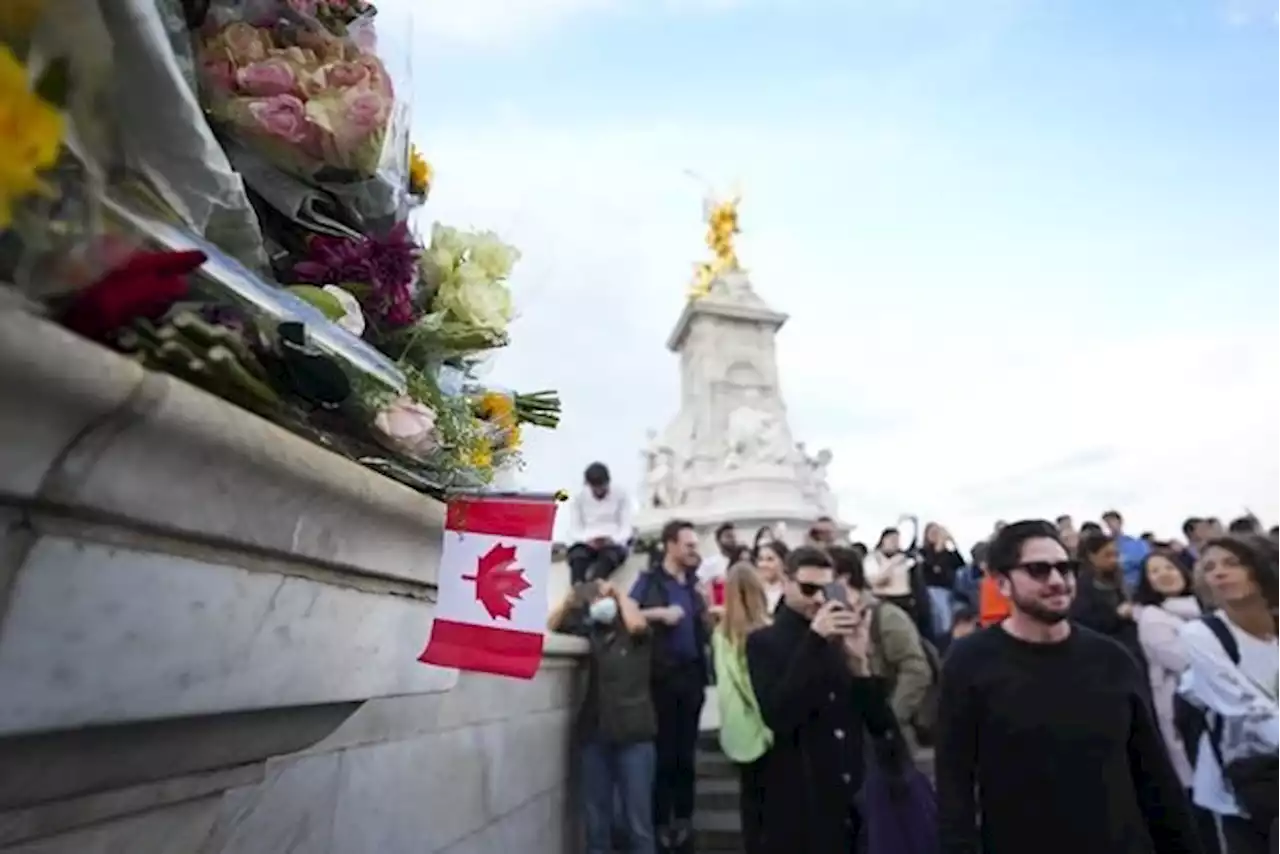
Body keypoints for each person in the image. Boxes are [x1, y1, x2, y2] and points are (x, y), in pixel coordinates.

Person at [936, 519, 1203, 854]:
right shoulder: (969, 661)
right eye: (1038, 570)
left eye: (1065, 568)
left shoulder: (1112, 658)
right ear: (1002, 583)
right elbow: (953, 778)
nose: (1057, 581)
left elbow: (1154, 774)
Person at [745, 546, 901, 854]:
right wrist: (815, 640)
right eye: (808, 588)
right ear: (787, 583)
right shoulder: (764, 642)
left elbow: (879, 723)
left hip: (853, 798)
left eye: (826, 590)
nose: (818, 599)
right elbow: (779, 715)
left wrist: (861, 666)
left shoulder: (840, 638)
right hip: (800, 800)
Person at [1178, 534, 1280, 854]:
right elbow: (1243, 705)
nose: (1219, 573)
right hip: (1246, 782)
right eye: (1209, 567)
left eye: (1232, 563)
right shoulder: (1203, 634)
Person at [548, 580, 657, 854]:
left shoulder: (635, 634)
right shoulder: (589, 631)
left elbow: (637, 624)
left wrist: (619, 593)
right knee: (596, 824)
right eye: (595, 598)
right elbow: (552, 626)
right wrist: (569, 599)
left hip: (634, 735)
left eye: (604, 597)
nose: (600, 602)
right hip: (594, 736)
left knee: (638, 825)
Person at [1132, 551, 1222, 854]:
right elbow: (1182, 659)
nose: (1164, 574)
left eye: (1168, 567)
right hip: (1186, 707)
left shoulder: (1206, 608)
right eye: (1154, 571)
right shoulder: (1153, 617)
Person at [630, 520, 709, 853]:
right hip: (661, 678)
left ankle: (684, 820)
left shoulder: (694, 586)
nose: (694, 551)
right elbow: (629, 612)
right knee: (663, 753)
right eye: (689, 545)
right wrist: (660, 613)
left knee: (686, 753)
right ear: (670, 545)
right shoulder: (648, 582)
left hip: (692, 678)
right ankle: (660, 822)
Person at [831, 546, 934, 742]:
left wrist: (890, 717)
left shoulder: (885, 616)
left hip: (882, 732)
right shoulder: (830, 616)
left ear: (843, 578)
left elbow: (916, 670)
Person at [712, 564, 774, 854]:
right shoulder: (764, 633)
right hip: (765, 727)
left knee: (749, 801)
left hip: (738, 728)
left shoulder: (720, 635)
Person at [1072, 531, 1148, 673]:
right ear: (1092, 556)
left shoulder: (1119, 582)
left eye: (1116, 555)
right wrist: (1117, 615)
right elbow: (1085, 623)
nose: (1114, 560)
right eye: (1108, 555)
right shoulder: (1081, 589)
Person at [567, 462, 634, 584]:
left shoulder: (621, 495)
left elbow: (626, 527)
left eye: (601, 486)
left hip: (613, 542)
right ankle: (577, 592)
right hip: (587, 541)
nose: (598, 491)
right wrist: (588, 540)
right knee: (577, 558)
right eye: (594, 488)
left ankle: (596, 587)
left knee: (607, 560)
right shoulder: (579, 498)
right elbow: (575, 529)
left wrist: (612, 539)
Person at [920, 522, 966, 644]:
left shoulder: (948, 553)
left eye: (938, 532)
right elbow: (934, 567)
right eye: (933, 533)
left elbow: (961, 564)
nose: (936, 535)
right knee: (942, 623)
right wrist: (939, 546)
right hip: (934, 590)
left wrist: (952, 543)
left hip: (951, 590)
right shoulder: (923, 552)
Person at [1102, 509, 1152, 591]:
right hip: (1117, 587)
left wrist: (1121, 562)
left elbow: (1144, 559)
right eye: (1107, 523)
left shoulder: (1135, 542)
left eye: (1112, 521)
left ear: (1120, 522)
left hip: (1138, 583)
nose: (1110, 525)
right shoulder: (1106, 545)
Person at [698, 522, 747, 598]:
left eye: (734, 536)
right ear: (718, 540)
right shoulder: (709, 563)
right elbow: (701, 587)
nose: (733, 540)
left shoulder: (744, 562)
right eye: (728, 536)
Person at [753, 540, 788, 613]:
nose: (763, 564)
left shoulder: (790, 592)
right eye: (760, 559)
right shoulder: (752, 590)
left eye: (770, 559)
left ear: (783, 562)